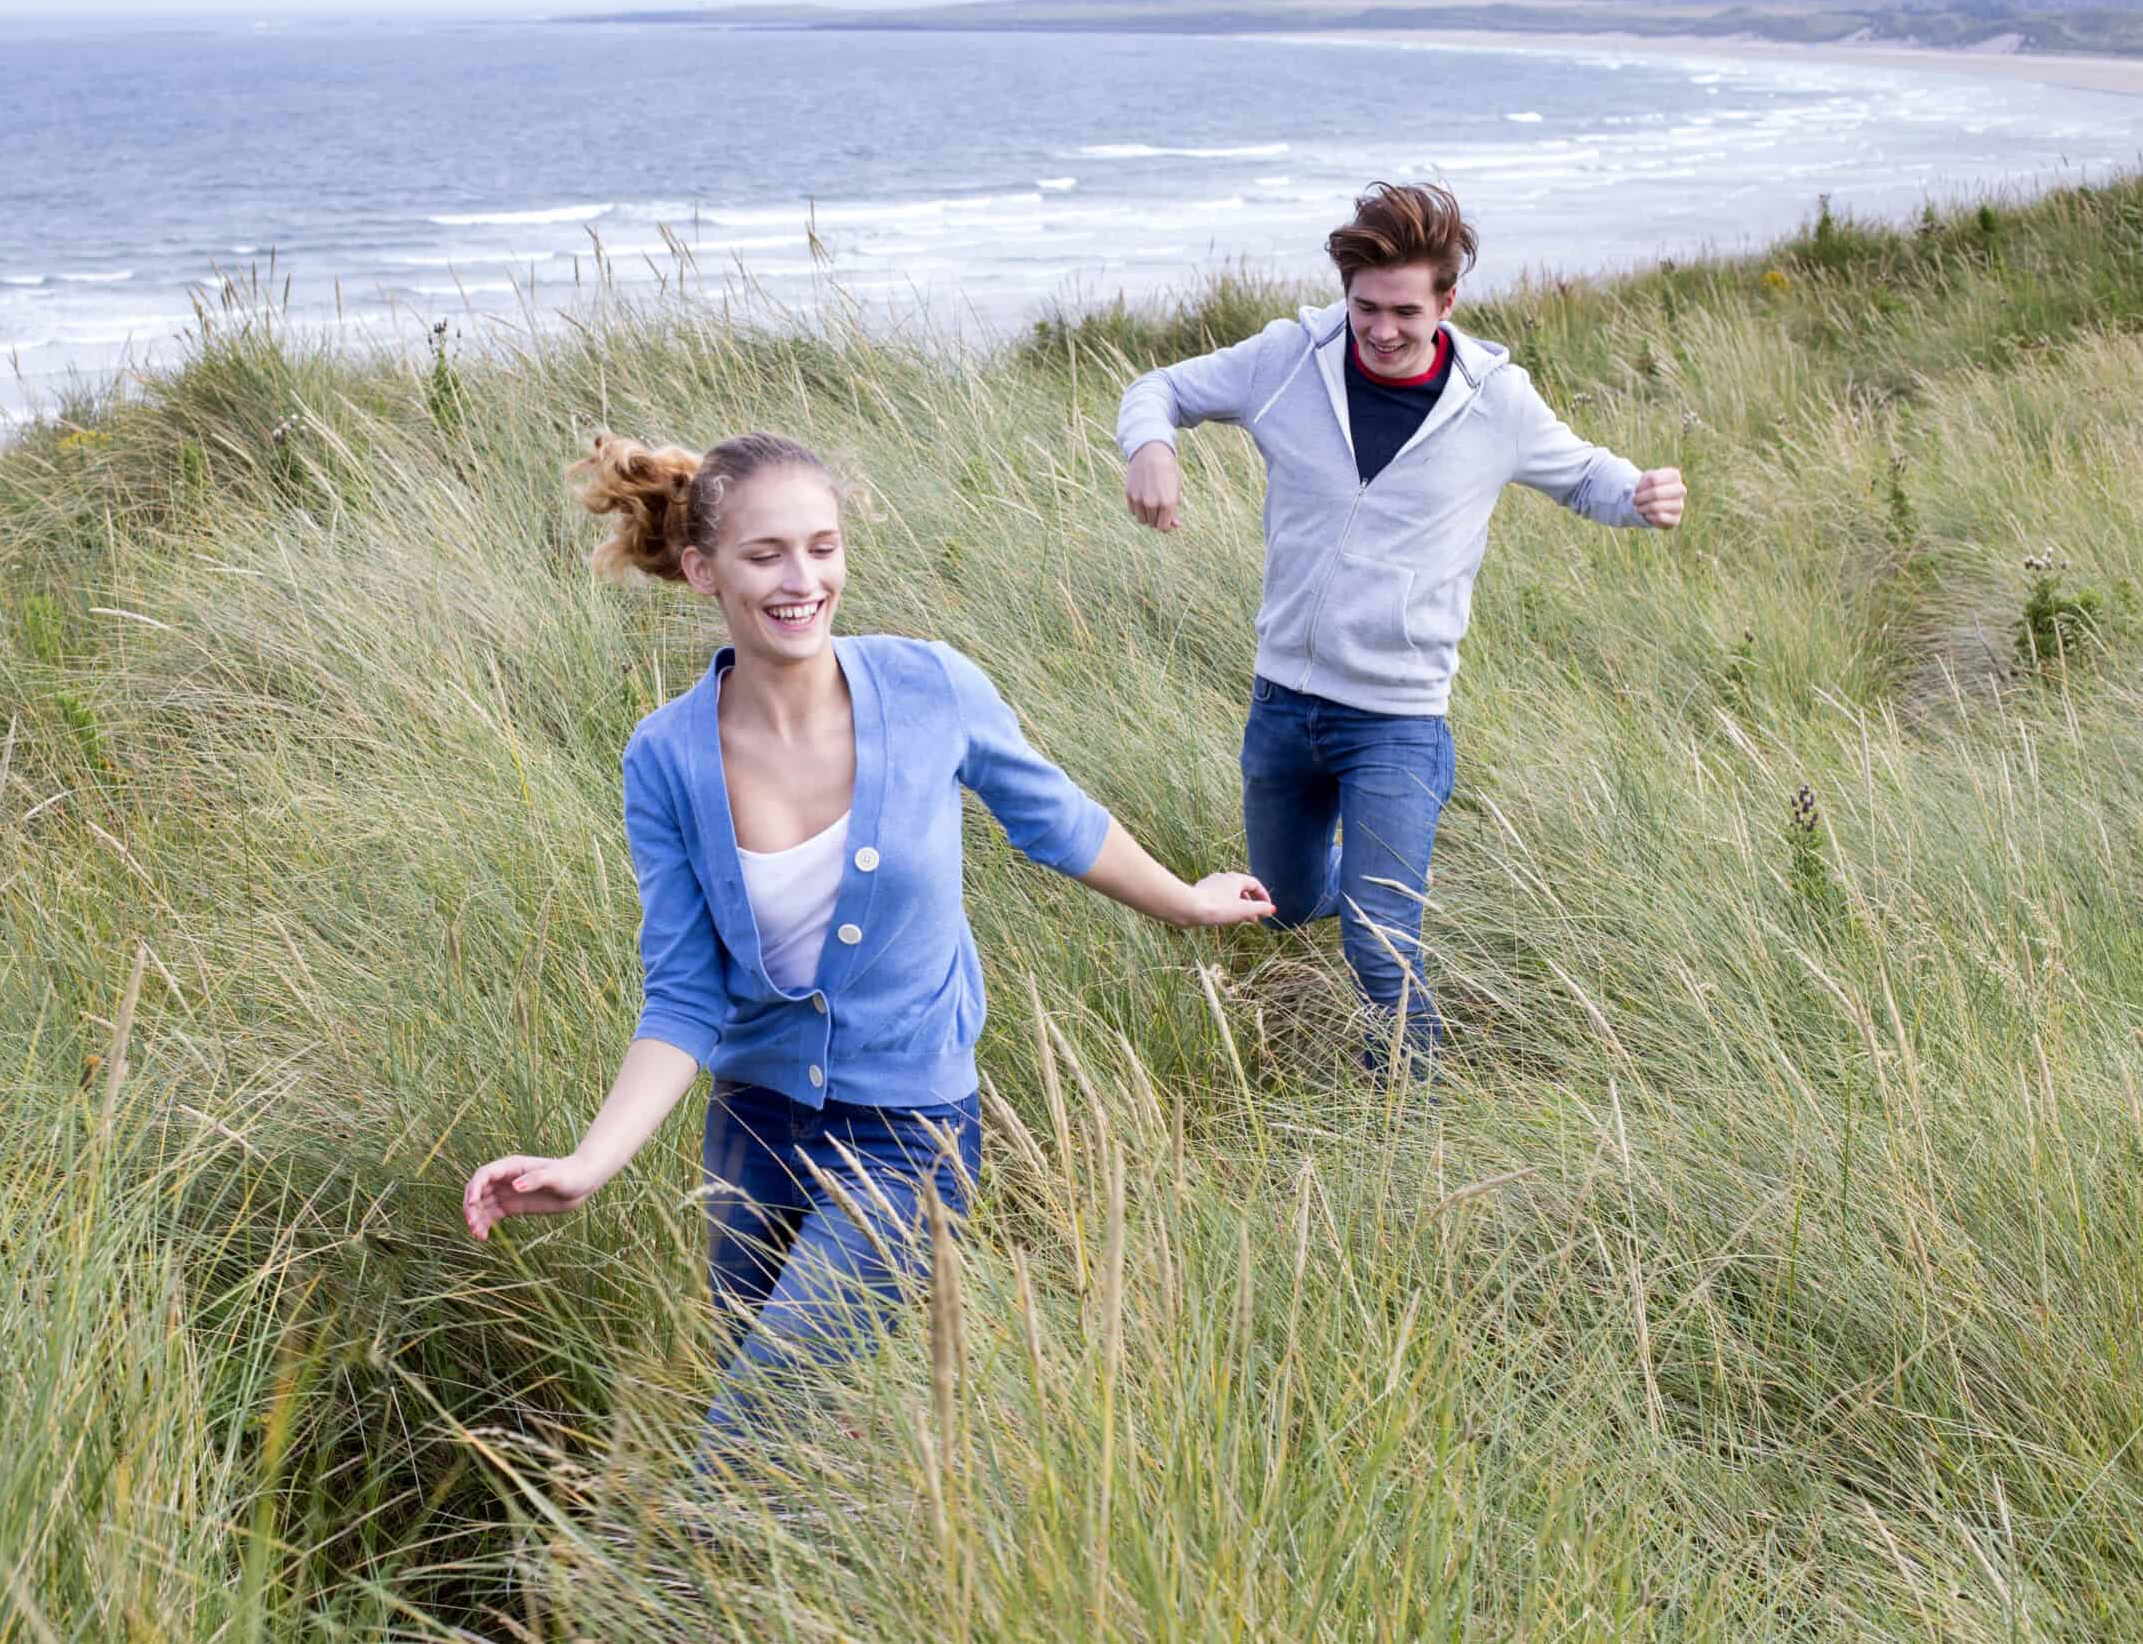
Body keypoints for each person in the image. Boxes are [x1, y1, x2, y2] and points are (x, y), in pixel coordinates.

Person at [462, 430, 1272, 1453]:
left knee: (744, 1446)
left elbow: (1057, 821)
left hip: (909, 1138)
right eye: (766, 556)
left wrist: (1183, 903)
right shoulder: (664, 756)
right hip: (750, 1134)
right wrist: (590, 1161)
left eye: (822, 547)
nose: (802, 580)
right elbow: (684, 995)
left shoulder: (930, 689)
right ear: (705, 572)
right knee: (781, 1428)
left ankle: (661, 1592)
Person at [1115, 182, 1686, 1075]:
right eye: (1364, 308)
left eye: (1405, 312)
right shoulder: (1286, 361)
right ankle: (1377, 862)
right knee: (1294, 902)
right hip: (1282, 705)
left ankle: (1410, 1114)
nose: (1381, 331)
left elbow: (1583, 475)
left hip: (1397, 720)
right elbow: (1158, 388)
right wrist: (1151, 446)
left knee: (1379, 947)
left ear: (1447, 302)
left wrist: (1639, 494)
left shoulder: (1493, 401)